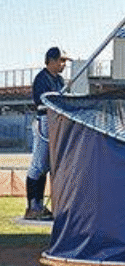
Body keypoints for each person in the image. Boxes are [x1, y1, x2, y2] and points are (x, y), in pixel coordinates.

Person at [25, 46, 70, 220]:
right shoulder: (41, 78)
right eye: (61, 60)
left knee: (49, 166)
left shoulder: (59, 80)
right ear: (51, 60)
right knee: (38, 165)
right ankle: (32, 207)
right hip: (44, 121)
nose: (63, 64)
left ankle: (41, 207)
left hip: (57, 122)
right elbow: (40, 102)